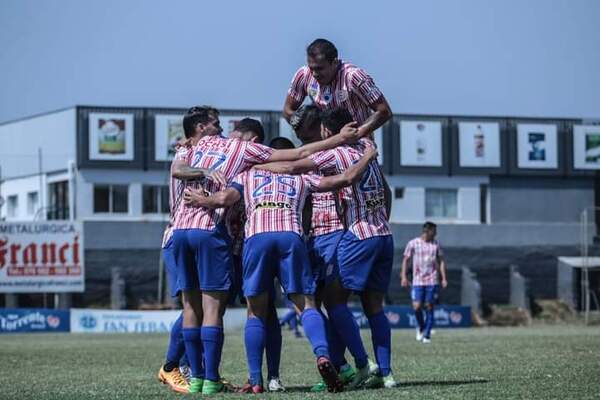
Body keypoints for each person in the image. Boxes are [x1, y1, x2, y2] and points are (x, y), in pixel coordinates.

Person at [170, 106, 366, 394]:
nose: (226, 133)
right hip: (290, 236)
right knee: (305, 304)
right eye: (219, 126)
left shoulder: (242, 171)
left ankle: (247, 379)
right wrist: (348, 144)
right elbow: (335, 177)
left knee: (249, 312)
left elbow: (222, 195)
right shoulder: (297, 176)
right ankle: (323, 356)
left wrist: (203, 199)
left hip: (246, 238)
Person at [258, 108, 397, 389]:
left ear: (322, 128)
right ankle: (380, 372)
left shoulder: (328, 153)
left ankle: (359, 364)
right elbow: (385, 191)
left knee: (327, 302)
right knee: (361, 305)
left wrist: (253, 167)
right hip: (373, 233)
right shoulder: (365, 147)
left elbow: (293, 167)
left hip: (339, 235)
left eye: (303, 131)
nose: (300, 137)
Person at [157, 106, 222, 394]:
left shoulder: (199, 150)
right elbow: (178, 170)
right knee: (192, 306)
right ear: (199, 127)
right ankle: (171, 367)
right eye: (215, 124)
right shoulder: (185, 153)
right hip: (177, 236)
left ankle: (195, 370)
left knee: (199, 305)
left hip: (195, 235)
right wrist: (207, 170)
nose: (220, 129)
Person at [283, 38, 392, 139]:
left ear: (334, 62)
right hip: (323, 147)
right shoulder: (304, 75)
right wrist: (309, 131)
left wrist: (355, 134)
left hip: (357, 147)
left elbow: (383, 111)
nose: (315, 74)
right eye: (312, 68)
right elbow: (288, 110)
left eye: (320, 69)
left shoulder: (354, 77)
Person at [401, 221, 448, 344]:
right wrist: (404, 277)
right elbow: (406, 260)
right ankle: (421, 327)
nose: (436, 234)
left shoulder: (436, 245)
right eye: (434, 231)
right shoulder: (413, 243)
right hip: (417, 281)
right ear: (428, 231)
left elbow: (441, 261)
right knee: (417, 307)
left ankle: (427, 335)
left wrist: (443, 278)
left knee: (429, 306)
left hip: (432, 280)